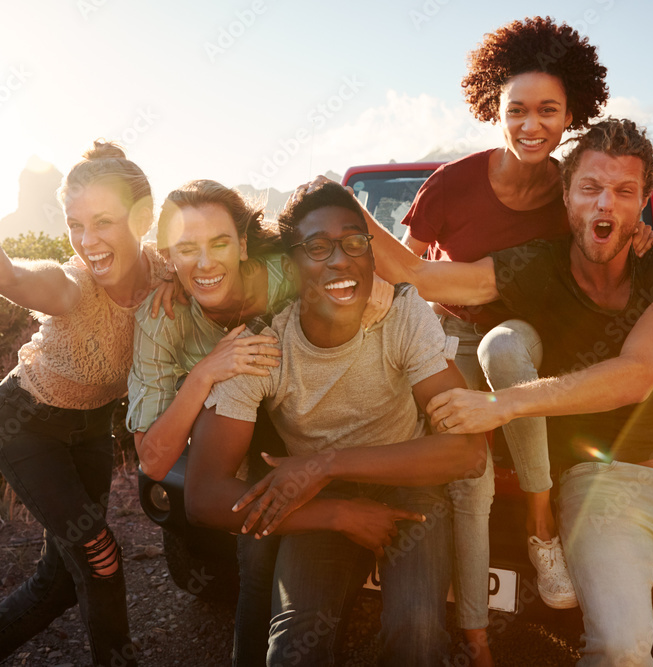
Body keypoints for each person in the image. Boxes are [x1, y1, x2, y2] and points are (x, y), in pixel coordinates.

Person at [359, 117, 653, 665]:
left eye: (623, 191)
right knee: (618, 650)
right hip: (601, 483)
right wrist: (339, 203)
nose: (605, 204)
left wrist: (500, 405)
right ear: (566, 195)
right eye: (590, 188)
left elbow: (636, 374)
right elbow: (420, 275)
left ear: (642, 202)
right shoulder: (536, 265)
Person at [394, 17, 653, 659]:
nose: (531, 124)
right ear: (495, 109)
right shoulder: (452, 182)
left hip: (524, 336)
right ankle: (476, 636)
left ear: (571, 114)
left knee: (502, 349)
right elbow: (402, 270)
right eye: (517, 109)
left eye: (548, 110)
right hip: (445, 333)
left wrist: (639, 234)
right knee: (471, 477)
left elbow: (611, 232)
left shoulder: (577, 186)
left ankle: (542, 526)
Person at [184, 182, 486, 666]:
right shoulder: (264, 345)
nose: (341, 260)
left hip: (408, 483)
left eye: (353, 242)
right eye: (318, 247)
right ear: (292, 264)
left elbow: (468, 451)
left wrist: (325, 464)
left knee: (416, 632)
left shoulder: (402, 313)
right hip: (319, 499)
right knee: (293, 645)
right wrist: (338, 512)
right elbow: (203, 496)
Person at [125, 179, 393, 666]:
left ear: (243, 244)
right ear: (168, 255)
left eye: (219, 244)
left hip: (318, 415)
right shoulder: (161, 318)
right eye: (186, 249)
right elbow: (154, 460)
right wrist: (205, 373)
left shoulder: (284, 274)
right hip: (240, 431)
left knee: (306, 565)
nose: (205, 263)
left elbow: (367, 274)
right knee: (255, 555)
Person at [0, 141, 166, 667]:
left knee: (58, 583)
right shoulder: (78, 285)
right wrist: (5, 275)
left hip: (91, 430)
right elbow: (44, 282)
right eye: (75, 225)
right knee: (100, 558)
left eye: (103, 222)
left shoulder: (166, 273)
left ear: (143, 218)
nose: (87, 241)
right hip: (25, 424)